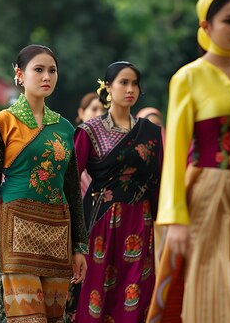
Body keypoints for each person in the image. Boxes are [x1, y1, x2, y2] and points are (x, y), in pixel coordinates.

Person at [147, 0, 230, 322]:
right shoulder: (188, 78)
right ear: (206, 27)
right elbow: (176, 152)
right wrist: (175, 218)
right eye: (228, 21)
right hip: (207, 193)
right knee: (210, 287)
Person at [0, 44, 89, 323]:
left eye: (52, 71)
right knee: (26, 316)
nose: (47, 77)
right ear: (19, 75)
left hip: (58, 231)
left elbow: (71, 189)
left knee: (54, 316)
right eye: (38, 70)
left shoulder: (65, 128)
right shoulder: (3, 122)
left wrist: (79, 245)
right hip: (15, 229)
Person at [69, 61, 163, 322]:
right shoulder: (90, 131)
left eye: (135, 83)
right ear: (108, 87)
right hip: (100, 222)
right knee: (95, 294)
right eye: (123, 82)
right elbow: (70, 183)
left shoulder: (151, 133)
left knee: (135, 295)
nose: (130, 88)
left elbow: (160, 181)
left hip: (140, 223)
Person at [75, 92, 106, 198]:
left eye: (103, 110)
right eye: (94, 109)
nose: (99, 114)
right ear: (81, 113)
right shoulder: (70, 142)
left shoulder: (111, 145)